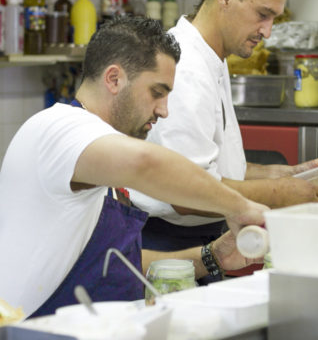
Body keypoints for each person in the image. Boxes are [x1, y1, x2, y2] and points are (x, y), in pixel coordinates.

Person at [0, 16, 268, 318]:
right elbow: (146, 163)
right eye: (157, 92)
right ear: (114, 79)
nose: (164, 110)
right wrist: (239, 207)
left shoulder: (97, 155)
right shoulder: (60, 128)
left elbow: (115, 264)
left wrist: (211, 257)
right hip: (32, 336)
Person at [133, 0, 318, 255]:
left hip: (201, 234)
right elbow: (187, 193)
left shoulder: (213, 57)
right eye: (262, 15)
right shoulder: (185, 66)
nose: (267, 32)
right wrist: (278, 194)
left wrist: (288, 175)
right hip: (169, 245)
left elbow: (214, 169)